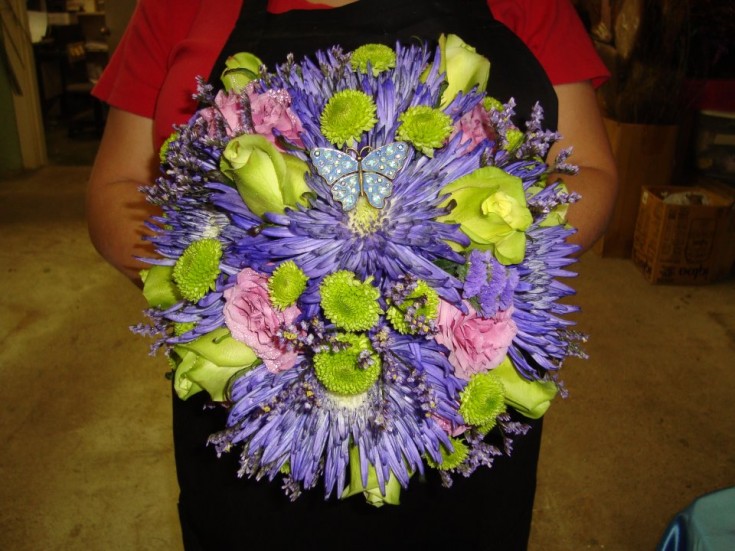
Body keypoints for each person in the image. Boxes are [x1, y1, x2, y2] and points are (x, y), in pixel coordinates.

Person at [86, 1, 617, 549]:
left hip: (469, 432)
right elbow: (116, 189)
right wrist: (223, 293)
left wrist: (474, 279)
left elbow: (590, 171)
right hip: (249, 437)